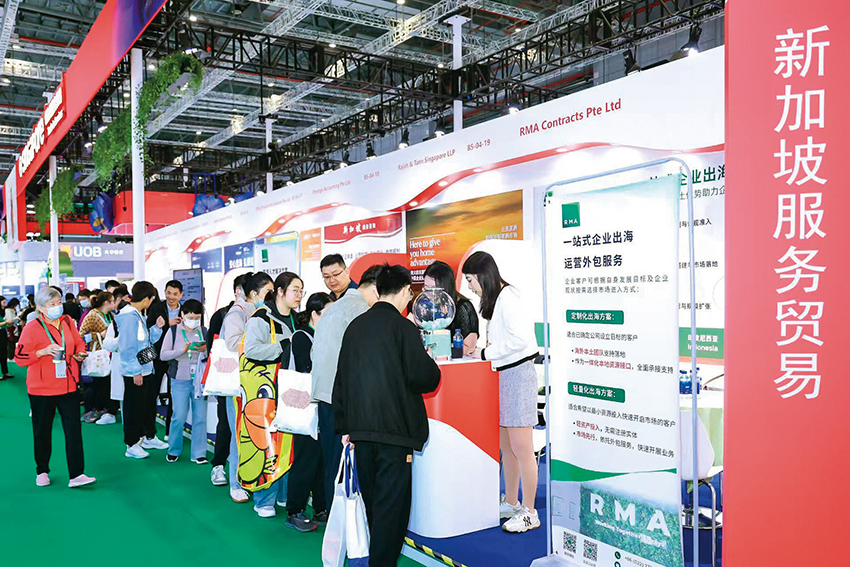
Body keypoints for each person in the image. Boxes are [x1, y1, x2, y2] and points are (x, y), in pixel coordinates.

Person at [333, 264, 441, 566]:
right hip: (395, 434)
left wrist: (345, 425)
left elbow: (341, 379)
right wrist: (428, 360)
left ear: (377, 290)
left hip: (361, 432)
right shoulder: (404, 328)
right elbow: (425, 378)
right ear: (406, 291)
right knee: (392, 511)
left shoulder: (355, 327)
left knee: (374, 506)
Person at [462, 251, 541, 533]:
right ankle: (511, 501)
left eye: (470, 280)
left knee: (522, 449)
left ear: (482, 276)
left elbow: (521, 340)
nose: (470, 286)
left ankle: (530, 512)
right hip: (504, 376)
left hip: (517, 376)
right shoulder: (498, 299)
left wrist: (486, 353)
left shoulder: (509, 297)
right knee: (507, 447)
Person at [312, 264, 383, 508]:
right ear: (376, 289)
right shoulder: (360, 311)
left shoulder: (335, 307)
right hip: (344, 399)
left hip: (326, 396)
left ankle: (333, 519)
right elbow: (362, 361)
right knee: (346, 466)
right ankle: (344, 524)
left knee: (333, 464)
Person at [14, 287, 96, 488]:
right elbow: (19, 358)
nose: (57, 307)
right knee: (42, 431)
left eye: (59, 303)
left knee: (74, 431)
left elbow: (79, 342)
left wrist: (80, 353)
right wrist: (41, 352)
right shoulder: (32, 328)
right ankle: (42, 470)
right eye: (52, 304)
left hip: (68, 385)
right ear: (41, 308)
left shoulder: (67, 322)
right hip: (41, 389)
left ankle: (77, 474)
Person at [240, 271, 303, 518]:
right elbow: (251, 351)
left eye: (301, 291)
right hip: (267, 393)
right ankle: (264, 498)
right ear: (280, 291)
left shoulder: (297, 319)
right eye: (295, 290)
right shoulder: (261, 319)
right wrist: (283, 347)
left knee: (288, 441)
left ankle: (283, 494)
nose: (299, 295)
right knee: (268, 443)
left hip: (291, 390)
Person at [221, 271, 274, 502]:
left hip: (257, 383)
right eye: (268, 292)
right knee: (239, 434)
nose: (272, 296)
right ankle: (236, 483)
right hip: (239, 385)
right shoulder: (238, 312)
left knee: (255, 436)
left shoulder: (266, 312)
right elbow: (232, 344)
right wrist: (255, 337)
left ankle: (254, 479)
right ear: (254, 293)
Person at [285, 291, 333, 532]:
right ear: (315, 314)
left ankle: (321, 508)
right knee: (305, 460)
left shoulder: (326, 337)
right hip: (306, 407)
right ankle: (294, 510)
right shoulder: (302, 336)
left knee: (322, 461)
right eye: (327, 313)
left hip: (322, 407)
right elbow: (307, 368)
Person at [117, 281, 167, 459]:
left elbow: (144, 341)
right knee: (134, 408)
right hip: (136, 371)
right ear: (147, 298)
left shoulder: (137, 315)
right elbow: (127, 347)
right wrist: (135, 371)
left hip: (145, 369)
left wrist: (157, 328)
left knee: (146, 406)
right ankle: (131, 444)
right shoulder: (129, 316)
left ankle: (147, 437)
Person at [208, 274, 249, 486]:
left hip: (250, 381)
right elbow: (213, 348)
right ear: (238, 291)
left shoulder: (259, 314)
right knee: (225, 424)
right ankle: (218, 465)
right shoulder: (224, 314)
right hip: (228, 380)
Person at [161, 299, 209, 464]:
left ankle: (199, 453)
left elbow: (212, 354)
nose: (194, 321)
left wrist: (205, 349)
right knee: (178, 416)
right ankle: (173, 449)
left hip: (199, 381)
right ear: (183, 314)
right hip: (179, 380)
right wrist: (181, 351)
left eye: (197, 318)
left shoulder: (204, 331)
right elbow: (163, 354)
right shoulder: (174, 331)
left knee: (200, 417)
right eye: (191, 317)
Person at [149, 280, 184, 439]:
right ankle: (149, 433)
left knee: (174, 396)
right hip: (157, 357)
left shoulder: (185, 310)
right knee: (151, 394)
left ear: (180, 295)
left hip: (177, 358)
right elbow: (148, 330)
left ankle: (171, 432)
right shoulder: (156, 308)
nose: (171, 297)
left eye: (175, 294)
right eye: (168, 293)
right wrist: (166, 325)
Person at [79, 291, 118, 424]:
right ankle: (89, 410)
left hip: (109, 355)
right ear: (107, 302)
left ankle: (102, 408)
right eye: (113, 301)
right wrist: (99, 335)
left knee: (104, 384)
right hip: (98, 355)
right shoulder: (92, 315)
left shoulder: (110, 315)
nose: (115, 303)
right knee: (95, 384)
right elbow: (81, 336)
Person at [423, 260, 480, 352]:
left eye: (433, 288)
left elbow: (469, 348)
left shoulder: (463, 307)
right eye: (426, 287)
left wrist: (439, 343)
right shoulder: (427, 307)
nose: (429, 293)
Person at [0, 296, 15, 379]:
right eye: (3, 302)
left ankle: (5, 372)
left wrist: (10, 323)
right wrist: (6, 322)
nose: (4, 304)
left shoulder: (3, 312)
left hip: (3, 333)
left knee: (4, 353)